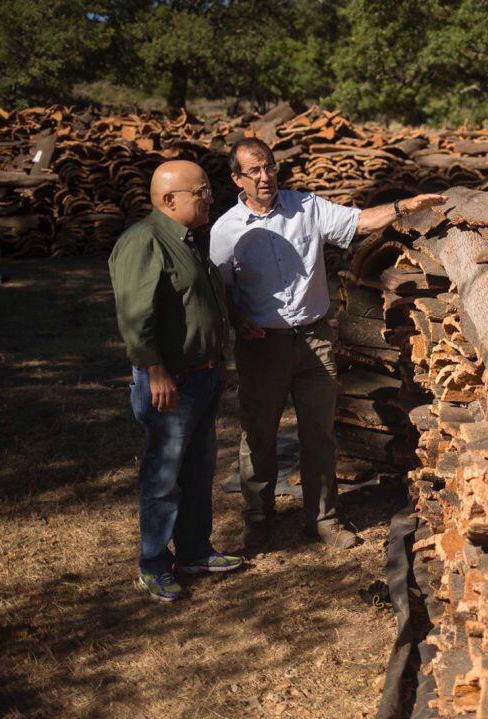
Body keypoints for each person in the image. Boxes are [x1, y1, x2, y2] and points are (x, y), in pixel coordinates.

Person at [210, 138, 446, 550]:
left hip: (315, 340)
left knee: (318, 434)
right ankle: (258, 519)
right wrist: (236, 318)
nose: (265, 177)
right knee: (259, 435)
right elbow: (218, 291)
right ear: (237, 179)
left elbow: (358, 222)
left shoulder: (307, 207)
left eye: (270, 167)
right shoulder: (225, 231)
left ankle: (323, 519)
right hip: (262, 346)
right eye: (255, 171)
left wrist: (401, 208)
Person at [109, 160, 243, 602]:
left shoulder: (188, 240)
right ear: (170, 200)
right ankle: (154, 564)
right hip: (170, 382)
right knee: (164, 475)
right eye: (201, 191)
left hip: (201, 375)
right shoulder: (145, 241)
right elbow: (135, 316)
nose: (210, 197)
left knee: (199, 469)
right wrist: (155, 370)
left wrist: (217, 359)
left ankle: (193, 551)